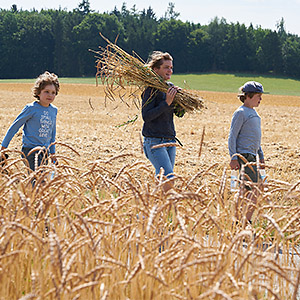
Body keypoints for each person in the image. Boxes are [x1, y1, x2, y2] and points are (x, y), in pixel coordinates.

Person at [142, 51, 185, 191]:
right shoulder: (150, 90)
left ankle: (150, 211)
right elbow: (146, 116)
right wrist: (166, 102)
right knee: (168, 178)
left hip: (170, 141)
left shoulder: (169, 87)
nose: (170, 70)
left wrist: (180, 102)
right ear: (156, 69)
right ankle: (162, 209)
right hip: (154, 141)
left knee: (162, 181)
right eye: (166, 67)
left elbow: (179, 114)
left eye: (171, 67)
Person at [1, 71, 60, 172]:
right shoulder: (31, 108)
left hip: (44, 152)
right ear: (38, 92)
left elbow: (52, 132)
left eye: (53, 92)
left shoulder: (53, 110)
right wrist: (3, 147)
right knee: (38, 179)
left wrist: (52, 153)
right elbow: (15, 127)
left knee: (40, 181)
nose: (50, 95)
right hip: (30, 150)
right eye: (46, 91)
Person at [228, 81, 265, 223]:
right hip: (243, 156)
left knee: (247, 189)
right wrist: (233, 157)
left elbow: (256, 138)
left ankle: (237, 220)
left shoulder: (254, 113)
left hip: (252, 156)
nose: (260, 99)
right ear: (248, 96)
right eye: (258, 96)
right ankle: (245, 221)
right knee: (256, 188)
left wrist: (260, 156)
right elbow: (232, 136)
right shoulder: (241, 112)